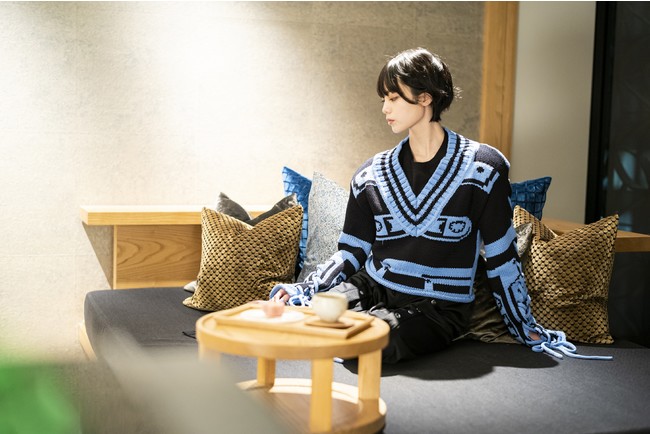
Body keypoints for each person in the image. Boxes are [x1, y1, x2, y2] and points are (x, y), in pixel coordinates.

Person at [271, 47, 610, 363]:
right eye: (384, 99)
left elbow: (501, 258)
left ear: (425, 98)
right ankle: (345, 327)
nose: (385, 109)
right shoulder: (369, 175)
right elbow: (350, 252)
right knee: (313, 317)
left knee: (373, 343)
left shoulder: (483, 169)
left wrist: (524, 325)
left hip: (438, 307)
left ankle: (355, 333)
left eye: (393, 98)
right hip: (373, 286)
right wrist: (306, 289)